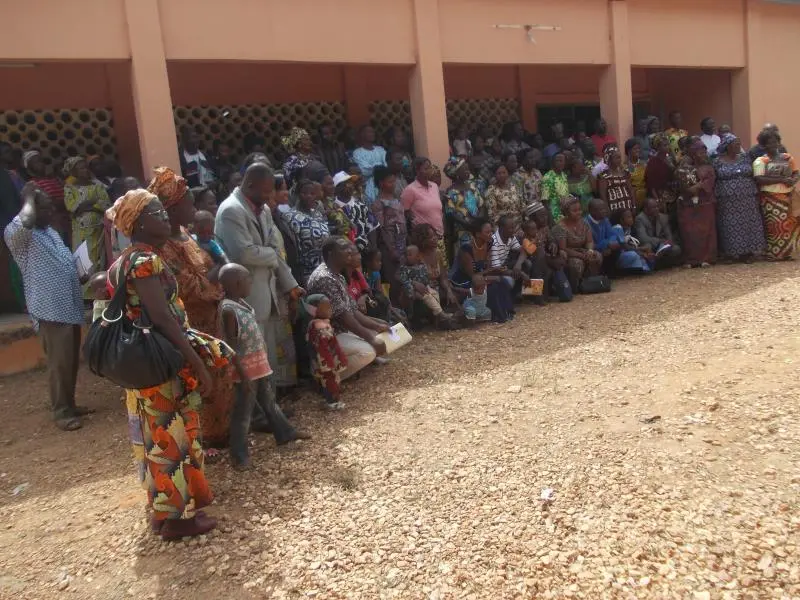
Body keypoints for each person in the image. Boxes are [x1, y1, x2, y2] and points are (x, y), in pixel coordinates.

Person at [105, 188, 229, 540]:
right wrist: (196, 362)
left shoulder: (123, 261)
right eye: (157, 213)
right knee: (174, 436)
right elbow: (162, 318)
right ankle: (179, 520)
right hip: (162, 363)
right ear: (139, 223)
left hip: (143, 364)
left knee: (154, 437)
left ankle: (162, 511)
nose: (164, 217)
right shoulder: (146, 261)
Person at [147, 167, 234, 449]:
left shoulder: (186, 234)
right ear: (172, 209)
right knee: (200, 380)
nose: (194, 209)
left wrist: (217, 272)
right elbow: (190, 289)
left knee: (220, 376)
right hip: (192, 325)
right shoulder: (164, 249)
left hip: (212, 319)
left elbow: (207, 271)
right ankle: (204, 439)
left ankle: (223, 431)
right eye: (189, 204)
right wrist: (221, 270)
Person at [5, 183, 89, 431]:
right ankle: (61, 411)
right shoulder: (18, 232)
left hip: (68, 306)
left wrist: (78, 272)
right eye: (44, 207)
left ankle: (70, 404)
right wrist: (29, 197)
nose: (50, 212)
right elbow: (25, 220)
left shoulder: (49, 232)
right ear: (30, 207)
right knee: (59, 362)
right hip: (49, 309)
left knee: (69, 360)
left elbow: (62, 261)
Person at [216, 162, 304, 393]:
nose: (269, 196)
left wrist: (290, 285)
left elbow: (272, 248)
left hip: (268, 292)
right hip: (246, 295)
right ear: (249, 185)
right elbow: (243, 253)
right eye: (265, 191)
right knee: (250, 358)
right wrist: (270, 254)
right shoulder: (231, 211)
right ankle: (258, 406)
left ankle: (270, 403)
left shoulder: (262, 209)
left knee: (267, 355)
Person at [218, 263, 307, 468]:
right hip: (246, 371)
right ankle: (239, 456)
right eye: (248, 280)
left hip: (258, 366)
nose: (251, 284)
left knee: (269, 402)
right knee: (243, 413)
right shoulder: (229, 310)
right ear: (237, 284)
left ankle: (285, 433)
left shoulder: (240, 303)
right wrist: (242, 375)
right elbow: (230, 346)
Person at [306, 237, 389, 379]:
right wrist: (371, 338)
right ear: (331, 253)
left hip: (342, 330)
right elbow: (343, 317)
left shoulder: (337, 275)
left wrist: (377, 325)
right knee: (368, 351)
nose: (349, 251)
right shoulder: (325, 278)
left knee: (378, 333)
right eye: (343, 248)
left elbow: (352, 309)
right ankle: (328, 376)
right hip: (330, 335)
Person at [713, 133, 766, 261]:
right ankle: (733, 253)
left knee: (750, 223)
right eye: (735, 144)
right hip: (727, 200)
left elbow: (753, 174)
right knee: (730, 224)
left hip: (748, 198)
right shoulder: (717, 161)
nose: (739, 146)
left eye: (739, 143)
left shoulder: (745, 158)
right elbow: (714, 179)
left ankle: (749, 252)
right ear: (728, 146)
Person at [449, 220, 515, 322]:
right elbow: (473, 276)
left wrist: (494, 270)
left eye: (491, 231)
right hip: (464, 281)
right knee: (498, 281)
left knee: (500, 282)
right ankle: (500, 314)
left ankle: (504, 313)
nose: (491, 234)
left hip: (480, 277)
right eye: (487, 232)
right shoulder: (466, 248)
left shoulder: (488, 243)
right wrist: (493, 270)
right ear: (478, 234)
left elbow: (485, 268)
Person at [753, 129, 800, 260]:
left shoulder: (787, 158)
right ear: (763, 145)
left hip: (788, 196)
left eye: (775, 142)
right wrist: (782, 179)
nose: (773, 145)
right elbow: (759, 179)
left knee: (789, 225)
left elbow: (796, 173)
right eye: (769, 143)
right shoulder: (761, 161)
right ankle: (773, 254)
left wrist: (793, 180)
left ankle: (787, 253)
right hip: (770, 198)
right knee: (774, 226)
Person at [63, 156, 111, 283]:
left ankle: (99, 288)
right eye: (81, 168)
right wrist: (92, 203)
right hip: (81, 233)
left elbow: (106, 205)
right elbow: (72, 207)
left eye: (85, 167)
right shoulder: (69, 188)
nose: (85, 170)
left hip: (98, 231)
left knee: (99, 261)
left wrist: (87, 206)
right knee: (84, 264)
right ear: (73, 172)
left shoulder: (97, 186)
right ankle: (86, 292)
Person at [675, 139, 717, 267]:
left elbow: (708, 184)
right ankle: (692, 259)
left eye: (704, 152)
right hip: (688, 203)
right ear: (693, 153)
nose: (703, 155)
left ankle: (707, 258)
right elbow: (681, 183)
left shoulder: (708, 168)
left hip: (705, 202)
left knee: (706, 231)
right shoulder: (684, 168)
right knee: (690, 232)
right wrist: (687, 190)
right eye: (700, 152)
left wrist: (696, 187)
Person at [280, 179, 330, 284]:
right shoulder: (290, 217)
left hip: (324, 269)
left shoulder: (318, 214)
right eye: (304, 193)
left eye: (312, 193)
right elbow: (292, 248)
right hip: (305, 273)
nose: (309, 196)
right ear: (297, 194)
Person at [303, 294, 348, 410]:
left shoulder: (316, 325)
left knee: (329, 380)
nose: (330, 310)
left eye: (329, 307)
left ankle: (331, 398)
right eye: (326, 308)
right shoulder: (320, 327)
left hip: (324, 360)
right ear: (314, 310)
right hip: (326, 361)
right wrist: (329, 362)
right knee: (329, 381)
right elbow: (323, 347)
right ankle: (332, 402)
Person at [371, 165, 407, 303]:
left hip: (401, 243)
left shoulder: (396, 199)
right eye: (390, 182)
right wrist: (391, 250)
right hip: (389, 247)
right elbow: (382, 229)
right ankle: (394, 308)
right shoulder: (378, 204)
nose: (393, 184)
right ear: (381, 183)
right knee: (393, 279)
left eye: (394, 181)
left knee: (403, 279)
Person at [552, 196, 602, 292]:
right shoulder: (560, 227)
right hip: (567, 254)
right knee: (576, 264)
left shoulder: (584, 223)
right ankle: (574, 287)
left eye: (579, 209)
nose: (579, 212)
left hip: (582, 250)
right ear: (566, 212)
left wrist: (590, 251)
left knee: (597, 256)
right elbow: (563, 249)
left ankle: (591, 284)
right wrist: (581, 256)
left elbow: (589, 241)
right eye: (574, 211)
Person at [586, 199, 650, 274]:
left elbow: (612, 235)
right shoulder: (586, 223)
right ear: (592, 211)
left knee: (618, 247)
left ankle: (638, 271)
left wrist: (610, 244)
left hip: (608, 249)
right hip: (594, 251)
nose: (605, 211)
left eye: (604, 208)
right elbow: (590, 244)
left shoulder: (605, 220)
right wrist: (606, 245)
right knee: (630, 253)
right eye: (601, 209)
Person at [397, 245, 451, 326]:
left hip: (424, 287)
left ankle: (436, 317)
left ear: (417, 256)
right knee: (427, 296)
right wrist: (413, 283)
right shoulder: (404, 268)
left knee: (435, 293)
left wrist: (427, 284)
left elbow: (425, 279)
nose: (407, 257)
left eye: (410, 255)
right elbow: (402, 279)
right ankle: (441, 313)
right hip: (412, 290)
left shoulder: (422, 267)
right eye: (406, 255)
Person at [23, 151, 68, 244]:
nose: (40, 163)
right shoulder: (32, 185)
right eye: (36, 162)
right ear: (29, 169)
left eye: (40, 160)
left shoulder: (55, 179)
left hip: (69, 218)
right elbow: (49, 204)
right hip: (55, 223)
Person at [444, 157, 486, 251]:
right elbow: (450, 213)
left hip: (477, 228)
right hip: (462, 231)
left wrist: (479, 219)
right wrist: (468, 223)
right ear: (456, 173)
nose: (468, 172)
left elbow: (481, 204)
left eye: (468, 169)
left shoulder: (472, 186)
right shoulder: (450, 191)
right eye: (465, 170)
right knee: (466, 255)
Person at [333, 171, 379, 252]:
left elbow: (372, 227)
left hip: (365, 250)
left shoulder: (361, 206)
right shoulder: (332, 208)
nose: (351, 186)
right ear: (337, 189)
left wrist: (373, 247)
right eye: (346, 184)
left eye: (351, 183)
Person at [634, 198, 682, 268]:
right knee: (648, 246)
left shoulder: (663, 217)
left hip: (661, 247)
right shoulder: (640, 219)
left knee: (676, 249)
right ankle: (655, 264)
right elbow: (643, 238)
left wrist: (667, 244)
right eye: (654, 207)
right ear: (646, 209)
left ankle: (660, 264)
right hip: (648, 246)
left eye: (657, 207)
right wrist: (661, 241)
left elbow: (669, 236)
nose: (657, 209)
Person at [352, 125, 387, 206]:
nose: (372, 134)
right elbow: (364, 170)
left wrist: (376, 168)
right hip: (368, 185)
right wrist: (378, 167)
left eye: (373, 132)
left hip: (384, 182)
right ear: (362, 134)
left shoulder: (380, 149)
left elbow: (386, 165)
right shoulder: (357, 152)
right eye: (369, 132)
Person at [598, 145, 636, 214]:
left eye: (620, 157)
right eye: (617, 158)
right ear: (609, 159)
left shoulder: (625, 173)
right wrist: (607, 210)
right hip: (614, 210)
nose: (620, 160)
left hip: (628, 207)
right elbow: (603, 196)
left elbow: (631, 190)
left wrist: (633, 206)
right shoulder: (604, 176)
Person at [485, 163, 524, 230]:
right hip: (503, 227)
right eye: (499, 173)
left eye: (504, 172)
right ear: (495, 175)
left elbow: (522, 204)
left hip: (519, 224)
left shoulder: (514, 186)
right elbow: (492, 214)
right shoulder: (491, 190)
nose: (502, 175)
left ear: (507, 173)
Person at [541, 152, 570, 222]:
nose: (560, 163)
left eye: (562, 161)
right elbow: (545, 201)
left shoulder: (564, 175)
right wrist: (550, 219)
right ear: (553, 162)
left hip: (565, 212)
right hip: (554, 214)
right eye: (558, 160)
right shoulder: (548, 177)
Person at [624, 138, 648, 210]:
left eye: (639, 148)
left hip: (645, 196)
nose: (638, 151)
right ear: (628, 151)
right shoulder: (624, 167)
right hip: (632, 198)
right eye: (635, 149)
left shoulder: (644, 164)